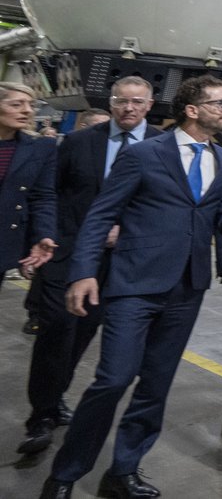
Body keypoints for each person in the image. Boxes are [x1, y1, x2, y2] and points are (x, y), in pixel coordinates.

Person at [40, 75, 222, 499]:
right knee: (113, 379)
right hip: (135, 284)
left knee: (156, 385)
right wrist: (83, 272)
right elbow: (101, 215)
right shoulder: (144, 154)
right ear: (192, 110)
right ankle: (65, 473)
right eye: (221, 103)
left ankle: (123, 471)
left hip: (187, 288)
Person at [19, 77, 158, 455]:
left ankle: (56, 395)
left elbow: (165, 206)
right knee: (57, 331)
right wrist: (44, 237)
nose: (128, 108)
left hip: (121, 265)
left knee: (82, 334)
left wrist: (125, 231)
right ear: (111, 104)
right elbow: (49, 193)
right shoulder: (79, 143)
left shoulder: (163, 147)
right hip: (68, 255)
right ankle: (41, 415)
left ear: (149, 105)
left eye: (136, 102)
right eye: (121, 101)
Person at [0, 82, 58, 286]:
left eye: (31, 105)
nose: (27, 110)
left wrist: (43, 234)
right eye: (16, 105)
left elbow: (43, 197)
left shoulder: (40, 148)